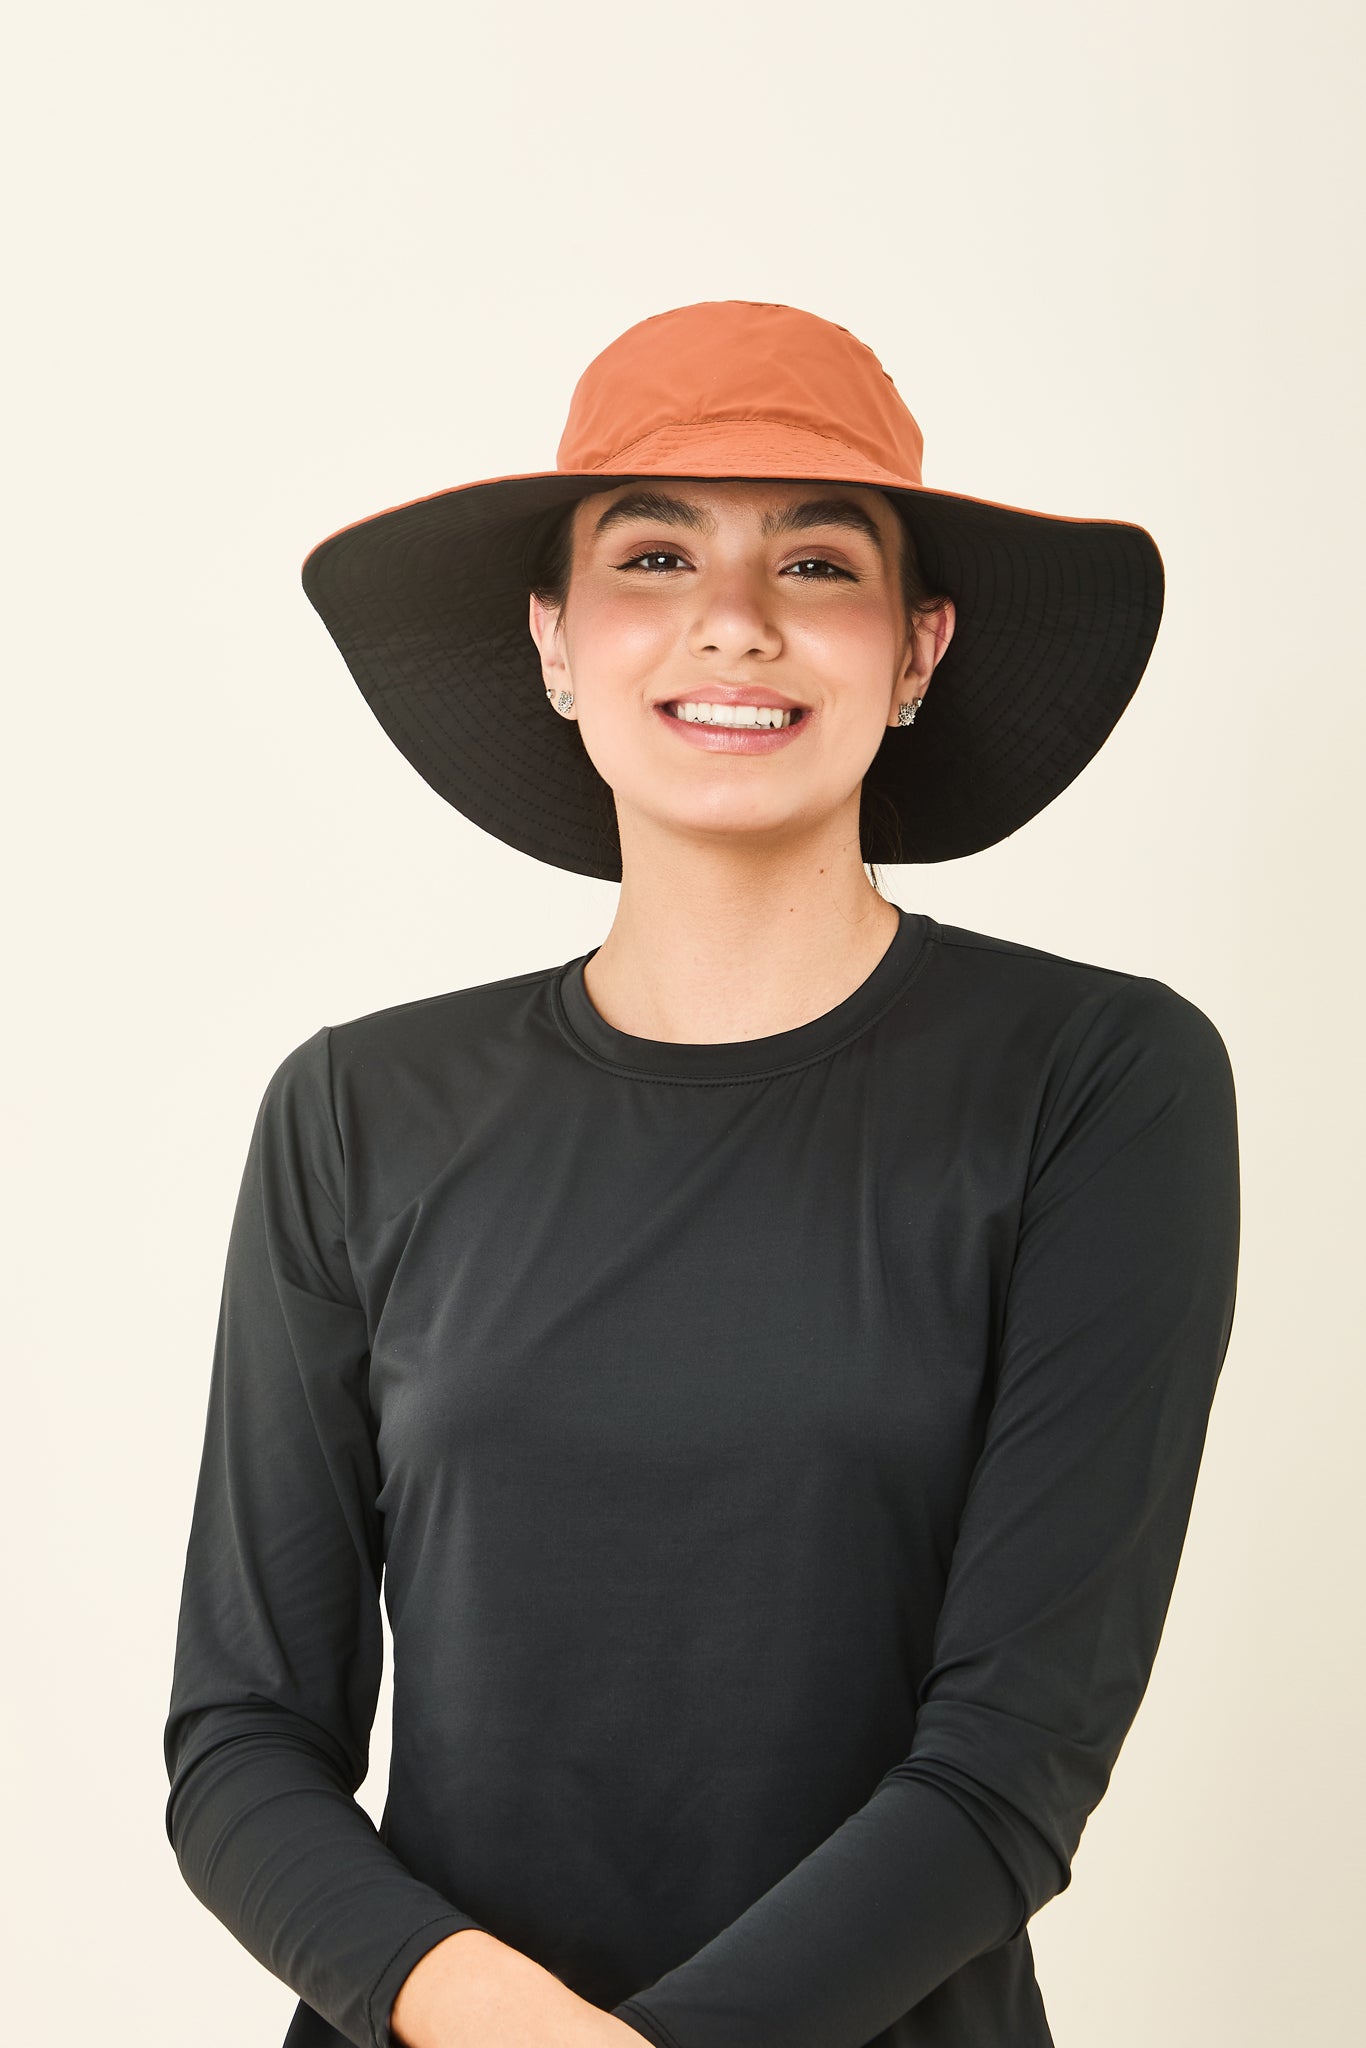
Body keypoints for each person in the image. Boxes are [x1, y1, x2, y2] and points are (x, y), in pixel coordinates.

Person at [163, 300, 1241, 2048]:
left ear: (915, 648)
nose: (733, 620)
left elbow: (1011, 1761)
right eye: (652, 555)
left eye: (817, 563)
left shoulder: (1094, 1080)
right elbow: (242, 1746)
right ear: (554, 639)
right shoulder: (358, 1108)